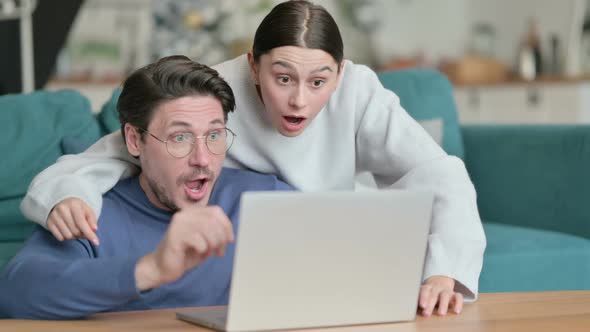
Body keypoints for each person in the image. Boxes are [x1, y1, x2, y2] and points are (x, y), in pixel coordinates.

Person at [20, 0, 485, 317]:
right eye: (282, 79)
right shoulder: (211, 96)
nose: (299, 101)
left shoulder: (358, 94)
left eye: (318, 82)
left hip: (326, 238)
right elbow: (113, 156)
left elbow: (438, 173)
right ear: (252, 67)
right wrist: (68, 193)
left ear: (338, 75)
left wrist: (442, 270)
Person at [0, 56, 293, 319]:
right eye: (180, 138)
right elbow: (16, 293)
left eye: (214, 135)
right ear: (134, 140)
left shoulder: (263, 198)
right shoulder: (90, 213)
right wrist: (151, 269)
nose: (203, 159)